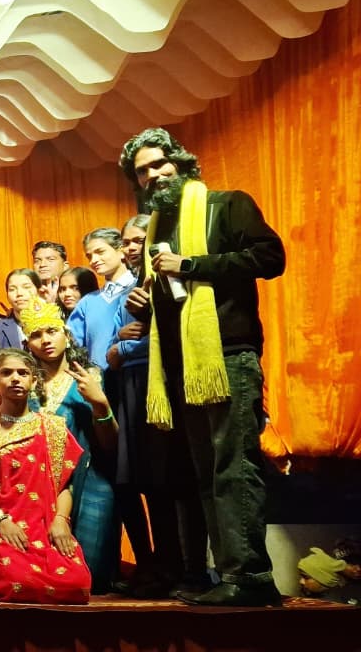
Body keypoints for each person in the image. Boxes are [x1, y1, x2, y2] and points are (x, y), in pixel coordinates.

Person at [119, 127, 285, 606]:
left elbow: (270, 257)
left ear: (182, 161)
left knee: (233, 469)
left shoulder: (225, 205)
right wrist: (145, 304)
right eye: (142, 172)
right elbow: (172, 296)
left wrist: (191, 265)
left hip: (227, 357)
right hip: (182, 367)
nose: (153, 175)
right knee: (207, 475)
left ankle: (251, 578)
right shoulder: (156, 231)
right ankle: (228, 575)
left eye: (159, 163)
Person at [106, 213, 205, 599]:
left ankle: (190, 570)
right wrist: (120, 345)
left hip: (165, 385)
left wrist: (125, 346)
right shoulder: (129, 289)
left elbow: (172, 336)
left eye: (139, 240)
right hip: (133, 388)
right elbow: (113, 347)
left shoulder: (172, 279)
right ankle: (163, 566)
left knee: (174, 479)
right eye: (128, 242)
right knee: (148, 481)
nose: (133, 248)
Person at [0, 349, 91, 603]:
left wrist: (61, 520)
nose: (15, 378)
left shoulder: (53, 427)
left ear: (34, 380)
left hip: (47, 526)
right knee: (20, 583)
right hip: (5, 523)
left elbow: (64, 486)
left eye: (23, 373)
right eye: (7, 373)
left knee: (77, 585)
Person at [21, 300, 119, 593]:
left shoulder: (92, 376)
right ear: (28, 344)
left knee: (91, 576)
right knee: (37, 576)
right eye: (36, 335)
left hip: (90, 479)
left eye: (52, 331)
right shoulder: (24, 383)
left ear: (66, 334)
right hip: (39, 483)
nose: (45, 340)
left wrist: (100, 405)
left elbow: (112, 445)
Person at [67, 228, 137, 372]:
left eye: (100, 252)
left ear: (121, 251)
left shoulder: (140, 289)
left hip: (141, 373)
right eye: (89, 256)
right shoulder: (87, 302)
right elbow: (72, 345)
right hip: (100, 379)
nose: (93, 260)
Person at [0, 268, 41, 350]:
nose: (19, 293)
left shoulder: (53, 323)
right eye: (12, 289)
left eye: (26, 287)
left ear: (38, 291)